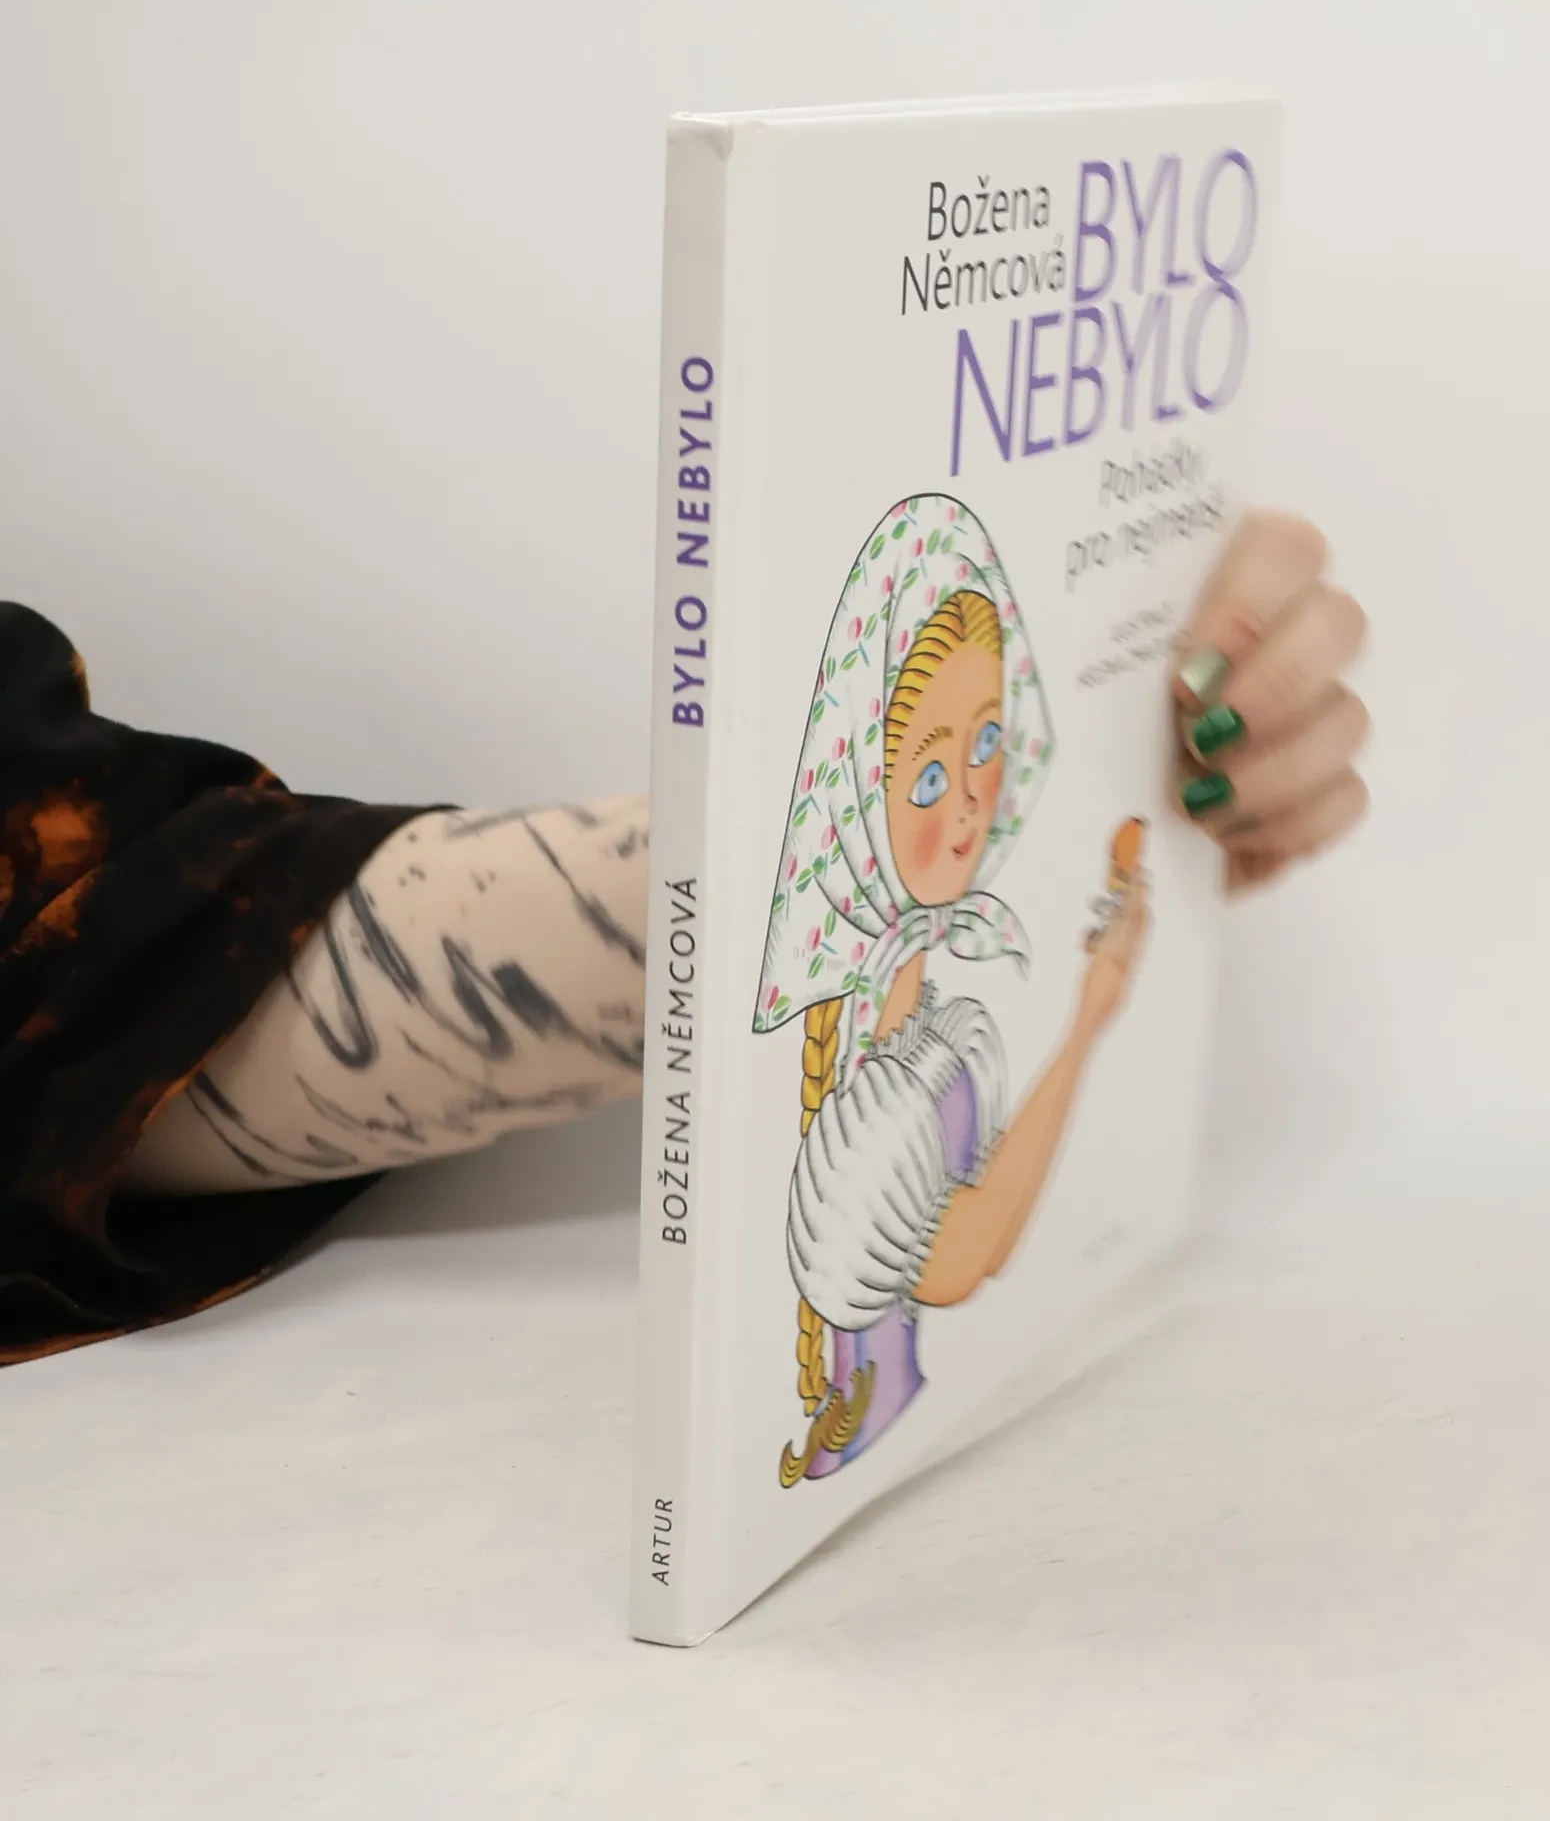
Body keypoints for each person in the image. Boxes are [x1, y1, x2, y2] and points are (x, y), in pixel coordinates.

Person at [0, 510, 1368, 1365]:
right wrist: (1079, 995)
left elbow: (130, 964)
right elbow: (948, 1258)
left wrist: (1125, 732)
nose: (969, 809)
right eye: (926, 772)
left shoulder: (933, 1008)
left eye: (990, 755)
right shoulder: (891, 1054)